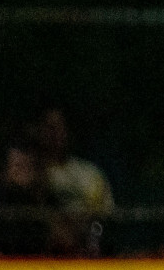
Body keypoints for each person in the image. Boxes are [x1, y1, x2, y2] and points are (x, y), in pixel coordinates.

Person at [35, 106, 111, 255]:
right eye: (49, 128)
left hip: (83, 252)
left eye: (60, 127)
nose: (54, 134)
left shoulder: (90, 174)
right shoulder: (28, 173)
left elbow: (101, 218)